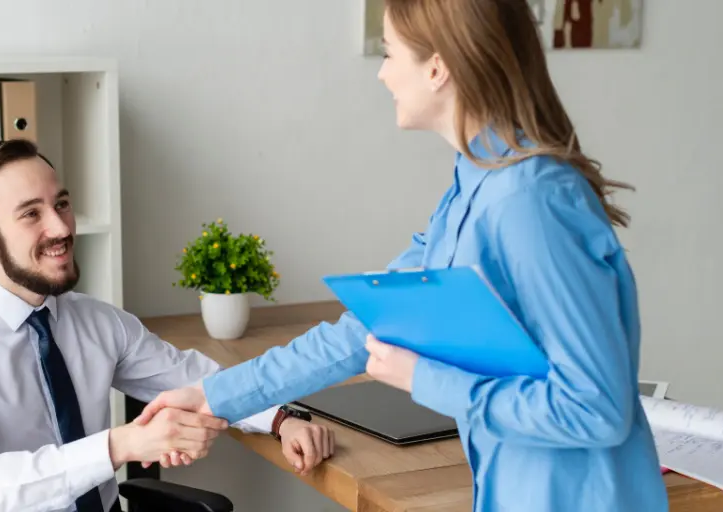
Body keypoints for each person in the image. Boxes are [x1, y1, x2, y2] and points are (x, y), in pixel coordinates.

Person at [134, 0, 668, 510]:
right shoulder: (473, 183)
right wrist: (213, 396)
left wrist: (424, 379)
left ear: (437, 67)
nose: (382, 73)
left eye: (389, 53)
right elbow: (363, 329)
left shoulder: (530, 201)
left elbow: (595, 410)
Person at [0, 139, 334, 512]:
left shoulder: (97, 321)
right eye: (31, 214)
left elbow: (195, 379)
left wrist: (282, 418)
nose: (60, 227)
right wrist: (120, 445)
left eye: (62, 204)